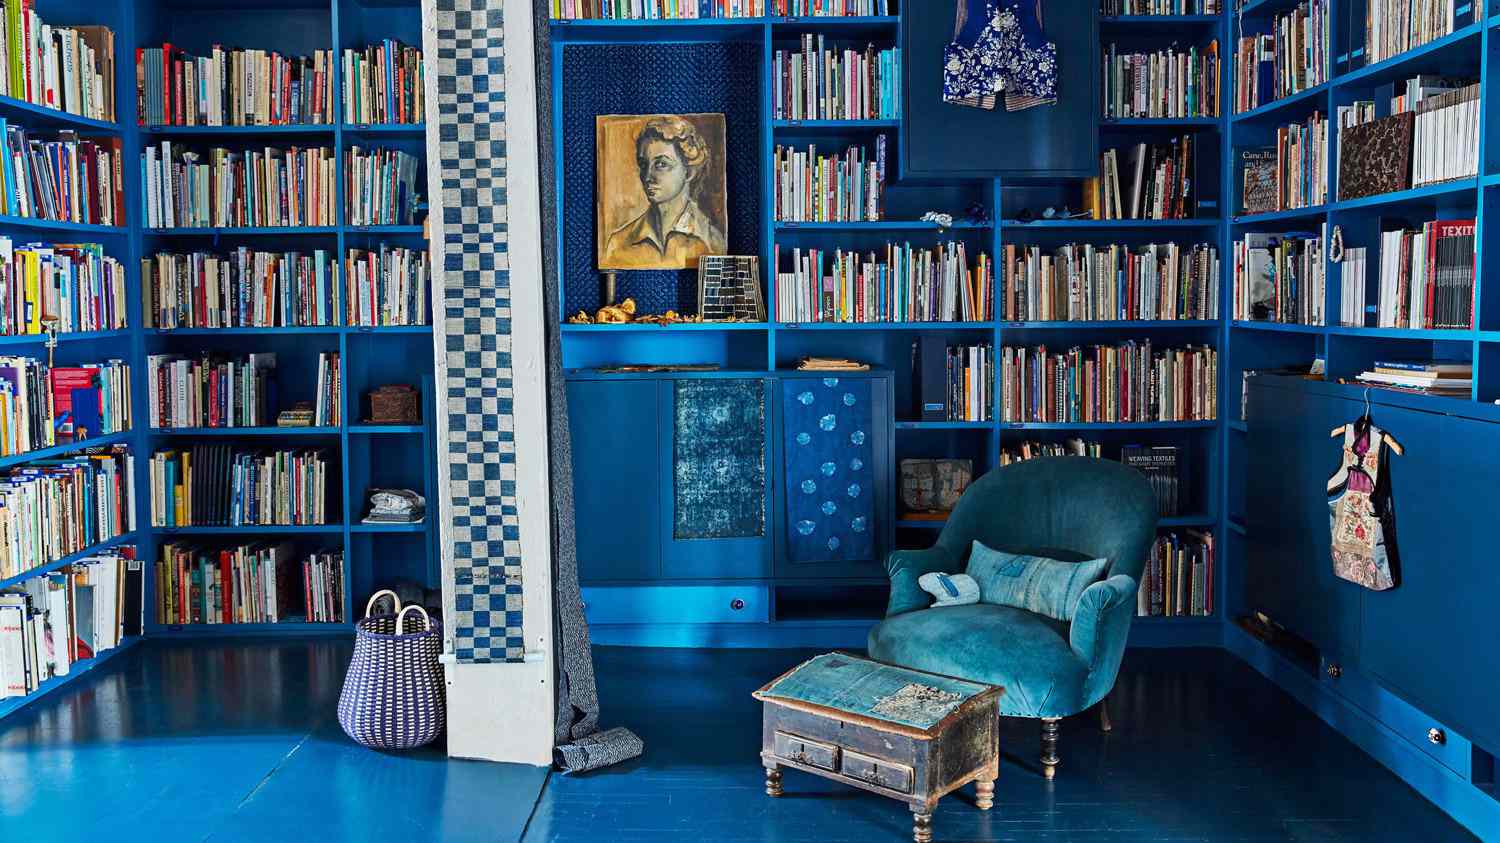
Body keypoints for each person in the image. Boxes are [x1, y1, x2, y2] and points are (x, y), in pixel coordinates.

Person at [602, 116, 727, 269]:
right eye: (643, 164)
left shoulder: (712, 242)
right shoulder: (618, 243)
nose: (647, 176)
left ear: (688, 173)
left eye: (661, 164)